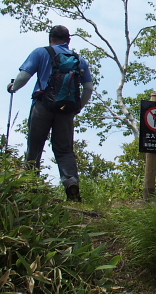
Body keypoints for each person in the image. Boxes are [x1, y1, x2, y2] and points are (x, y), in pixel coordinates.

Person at [7, 25, 93, 202]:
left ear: (51, 38)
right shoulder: (79, 60)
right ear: (68, 41)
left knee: (35, 147)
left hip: (43, 105)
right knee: (64, 150)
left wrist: (13, 87)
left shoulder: (41, 52)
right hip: (66, 109)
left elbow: (24, 76)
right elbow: (89, 88)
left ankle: (31, 188)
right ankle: (71, 183)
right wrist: (77, 107)